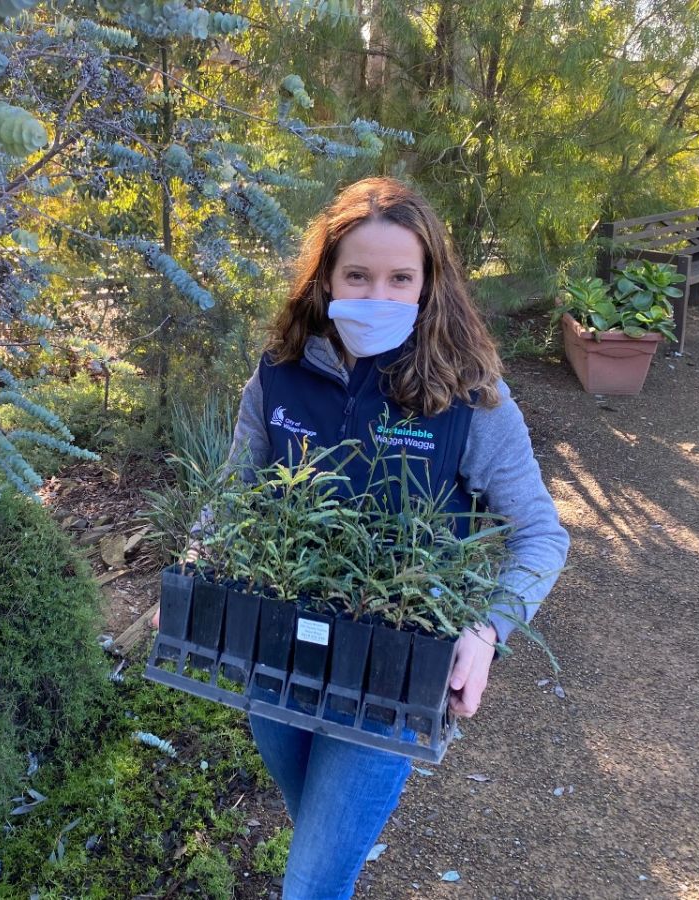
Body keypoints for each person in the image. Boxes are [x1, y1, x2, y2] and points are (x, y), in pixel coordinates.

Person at [155, 177, 568, 898]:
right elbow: (232, 496)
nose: (378, 296)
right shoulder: (279, 378)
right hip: (274, 656)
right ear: (325, 279)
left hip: (389, 680)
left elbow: (540, 534)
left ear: (429, 284)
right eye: (358, 275)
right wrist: (193, 571)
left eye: (400, 277)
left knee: (309, 884)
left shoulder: (468, 397)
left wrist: (486, 630)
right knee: (317, 846)